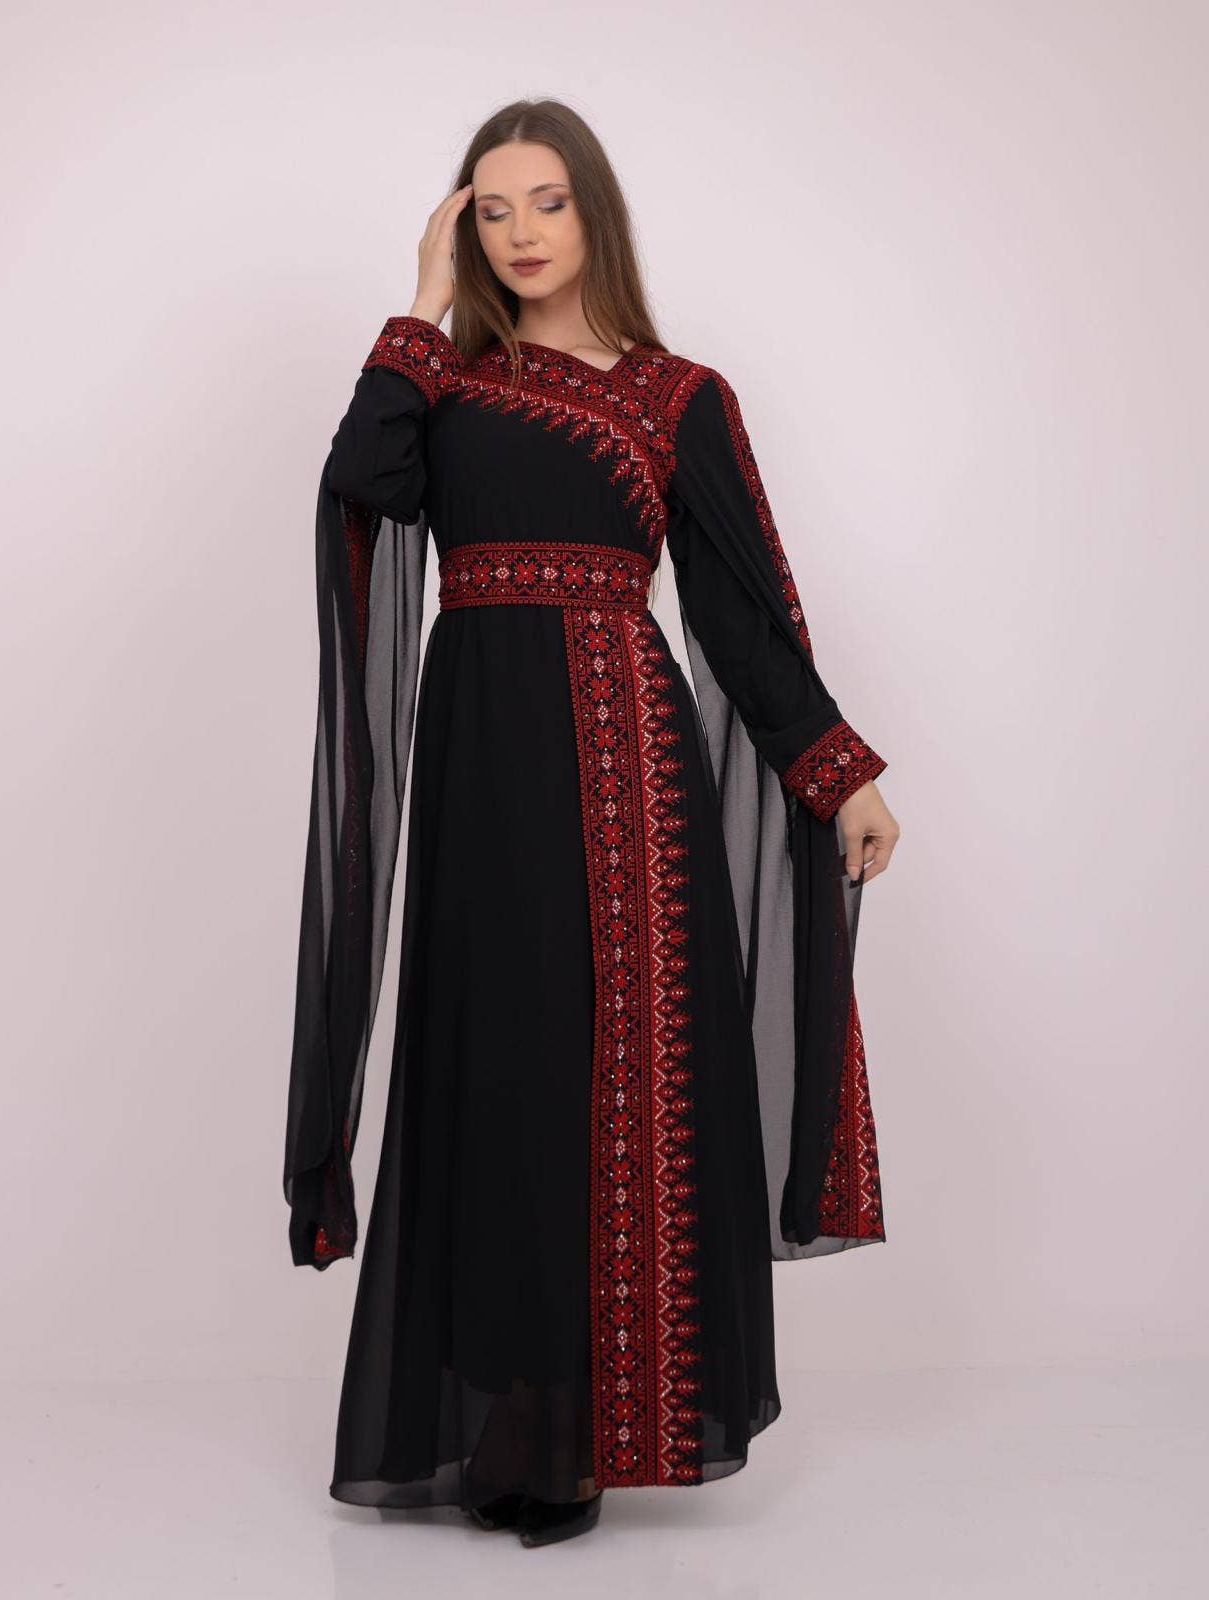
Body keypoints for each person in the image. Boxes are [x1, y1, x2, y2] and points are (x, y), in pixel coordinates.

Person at [282, 98, 901, 1549]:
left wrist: (839, 770)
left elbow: (742, 619)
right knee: (500, 1071)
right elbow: (359, 486)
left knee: (616, 1074)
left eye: (546, 202)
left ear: (595, 213)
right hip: (485, 778)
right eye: (490, 210)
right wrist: (419, 305)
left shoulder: (681, 397)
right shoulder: (445, 384)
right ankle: (510, 1421)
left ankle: (586, 1432)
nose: (521, 233)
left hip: (630, 774)